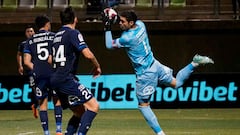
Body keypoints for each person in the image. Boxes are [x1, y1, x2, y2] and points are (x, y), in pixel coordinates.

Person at [103, 9, 214, 135]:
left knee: (143, 105)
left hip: (145, 73)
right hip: (155, 65)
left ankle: (160, 134)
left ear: (131, 22)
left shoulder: (127, 38)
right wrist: (116, 17)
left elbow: (109, 45)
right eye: (119, 21)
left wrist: (107, 26)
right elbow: (130, 22)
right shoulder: (141, 25)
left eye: (122, 22)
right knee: (176, 83)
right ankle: (194, 63)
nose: (120, 23)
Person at [50, 6, 101, 135]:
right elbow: (88, 55)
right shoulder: (73, 33)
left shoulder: (56, 36)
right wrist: (97, 66)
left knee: (79, 112)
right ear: (75, 19)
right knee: (94, 106)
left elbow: (50, 60)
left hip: (56, 79)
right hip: (66, 78)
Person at [24, 15, 63, 135]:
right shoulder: (54, 36)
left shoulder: (30, 40)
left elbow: (26, 61)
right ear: (47, 24)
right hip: (54, 73)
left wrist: (37, 69)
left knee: (42, 104)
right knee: (57, 101)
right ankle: (58, 130)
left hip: (39, 75)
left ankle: (46, 133)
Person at [16, 25, 39, 119]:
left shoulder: (38, 42)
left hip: (41, 69)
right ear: (25, 33)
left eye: (32, 31)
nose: (30, 33)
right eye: (28, 31)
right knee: (35, 88)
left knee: (42, 88)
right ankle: (35, 105)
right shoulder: (23, 44)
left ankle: (35, 105)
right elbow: (19, 54)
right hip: (30, 70)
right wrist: (20, 66)